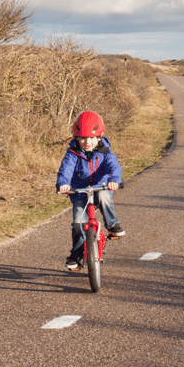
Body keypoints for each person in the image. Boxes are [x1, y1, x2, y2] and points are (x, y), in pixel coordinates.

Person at [56, 111, 125, 271]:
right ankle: (77, 255)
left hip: (101, 187)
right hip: (80, 192)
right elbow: (65, 170)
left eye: (92, 138)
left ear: (99, 137)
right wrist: (63, 184)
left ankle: (112, 224)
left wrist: (114, 180)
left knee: (104, 197)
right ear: (77, 138)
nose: (87, 142)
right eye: (83, 138)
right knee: (78, 224)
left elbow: (113, 166)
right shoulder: (72, 154)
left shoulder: (105, 151)